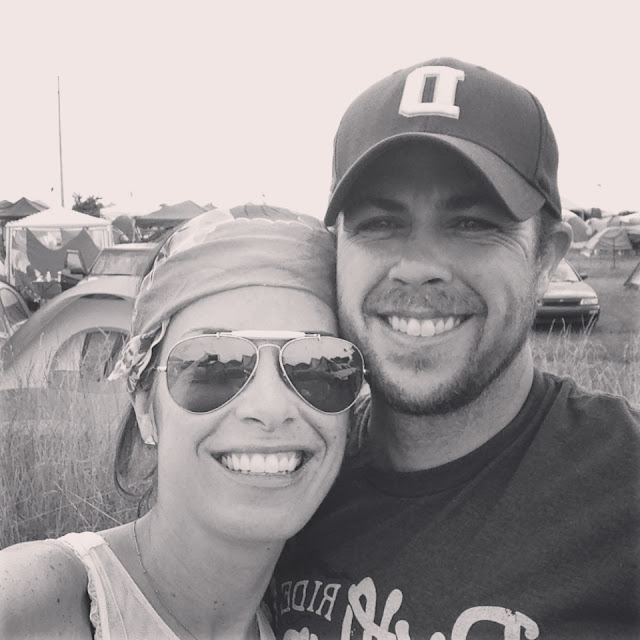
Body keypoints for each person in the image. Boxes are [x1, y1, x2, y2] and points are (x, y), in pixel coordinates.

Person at [271, 58, 640, 639]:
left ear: (547, 256)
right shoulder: (290, 473)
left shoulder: (623, 488)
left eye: (471, 223)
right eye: (379, 223)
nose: (418, 267)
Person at [0, 204, 366, 639]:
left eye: (319, 367)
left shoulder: (306, 619)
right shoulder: (42, 604)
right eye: (214, 366)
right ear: (144, 407)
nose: (271, 406)